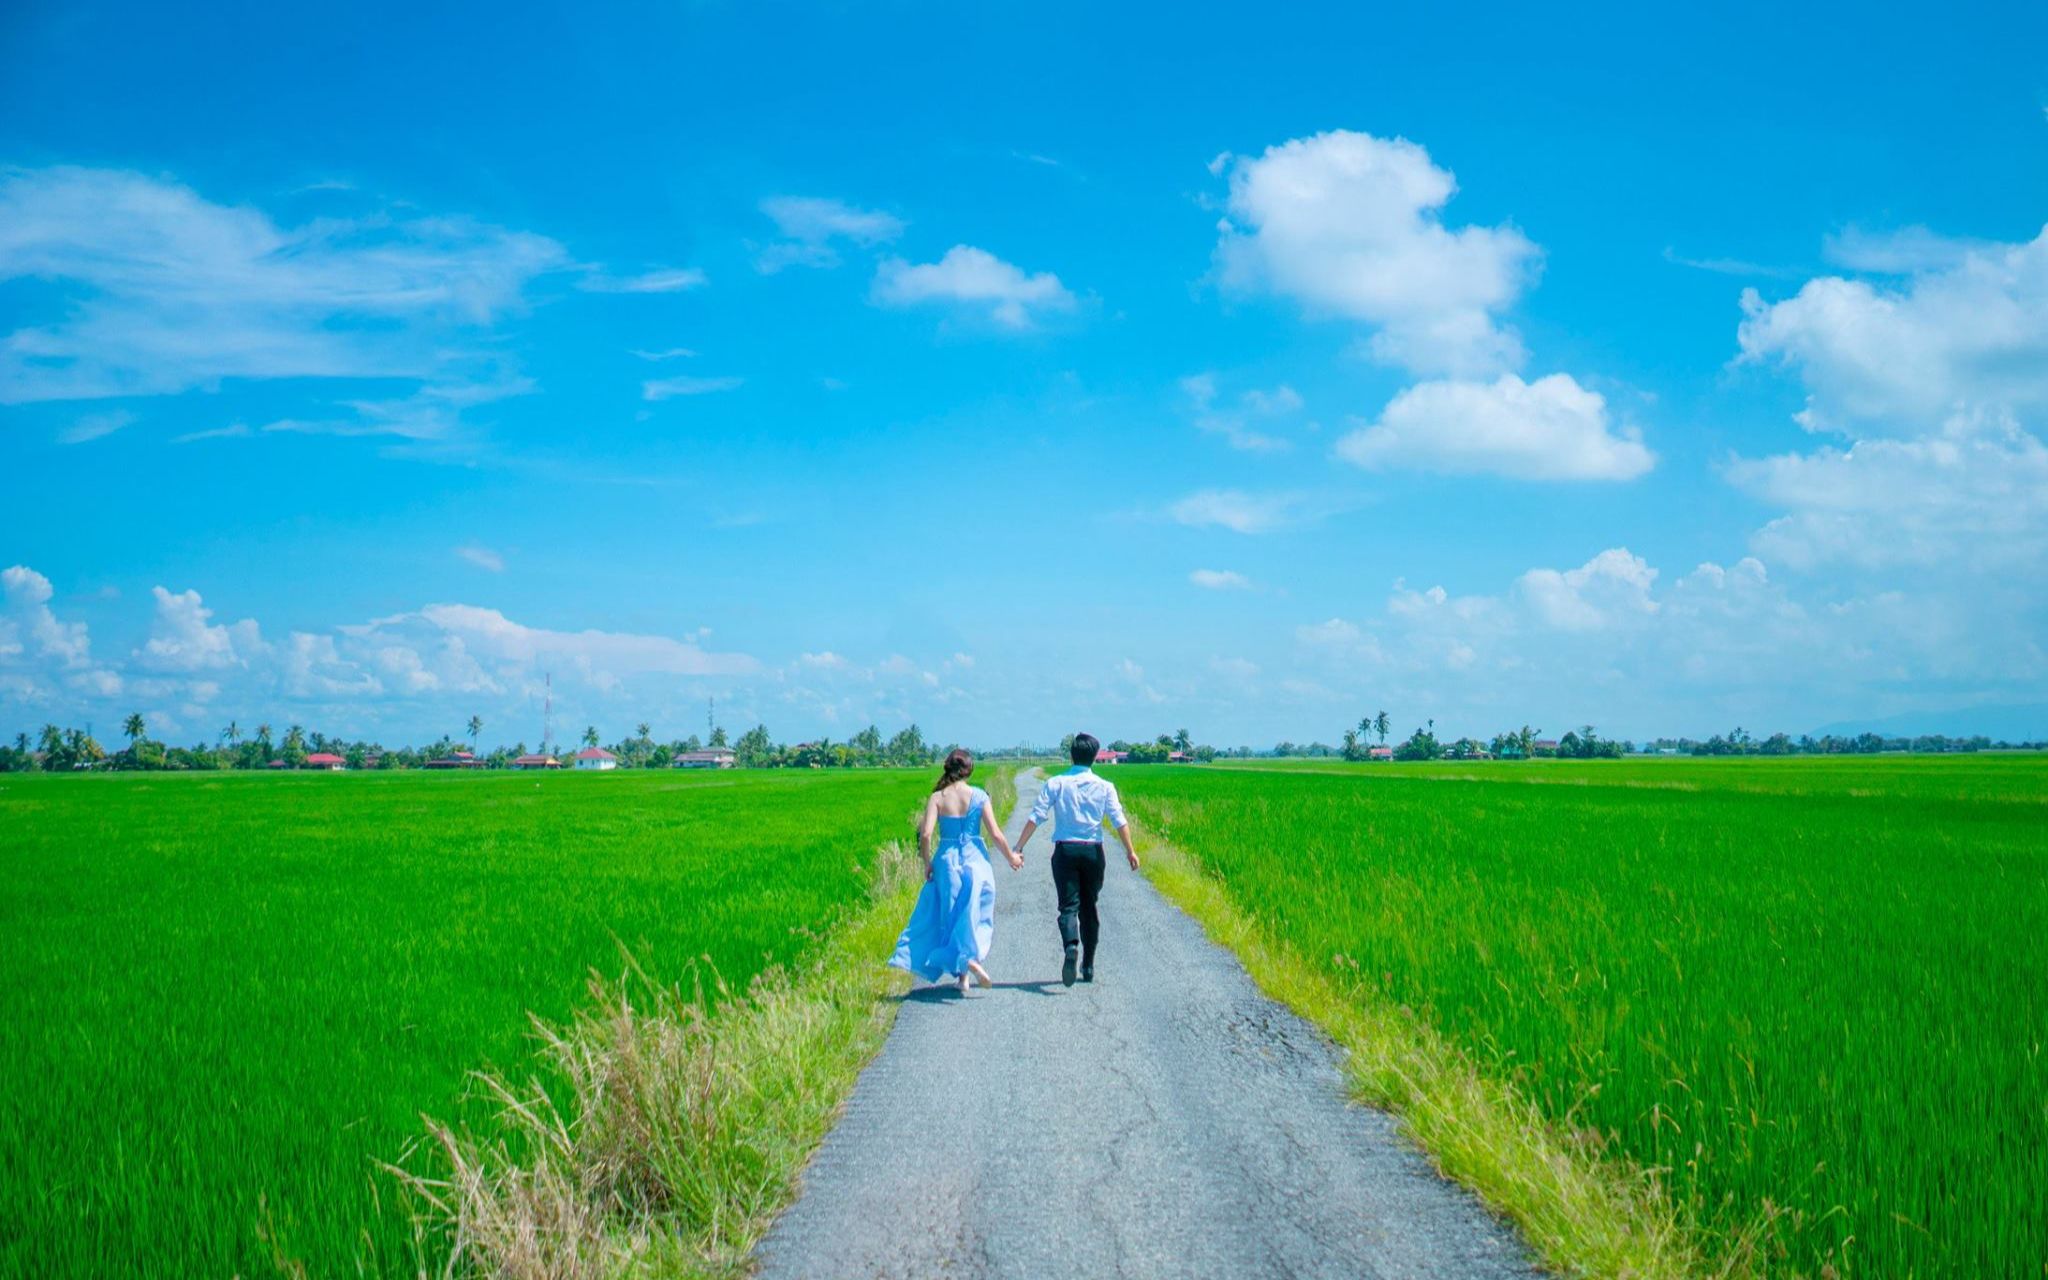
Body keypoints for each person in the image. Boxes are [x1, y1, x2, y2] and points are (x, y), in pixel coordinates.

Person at [890, 748, 1022, 996]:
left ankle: (964, 972)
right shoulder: (980, 796)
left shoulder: (937, 798)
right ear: (969, 769)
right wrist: (1011, 858)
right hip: (975, 861)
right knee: (972, 912)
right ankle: (968, 963)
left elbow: (927, 835)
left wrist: (927, 863)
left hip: (947, 860)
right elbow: (995, 834)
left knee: (949, 915)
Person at [1013, 732, 1139, 987]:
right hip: (1093, 852)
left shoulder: (1056, 783)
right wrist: (1130, 850)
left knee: (1068, 906)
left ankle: (1071, 946)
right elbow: (1119, 820)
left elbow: (1037, 815)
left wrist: (1019, 846)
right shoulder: (1105, 787)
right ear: (1095, 756)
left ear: (1071, 755)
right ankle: (1089, 965)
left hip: (1065, 851)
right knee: (1089, 906)